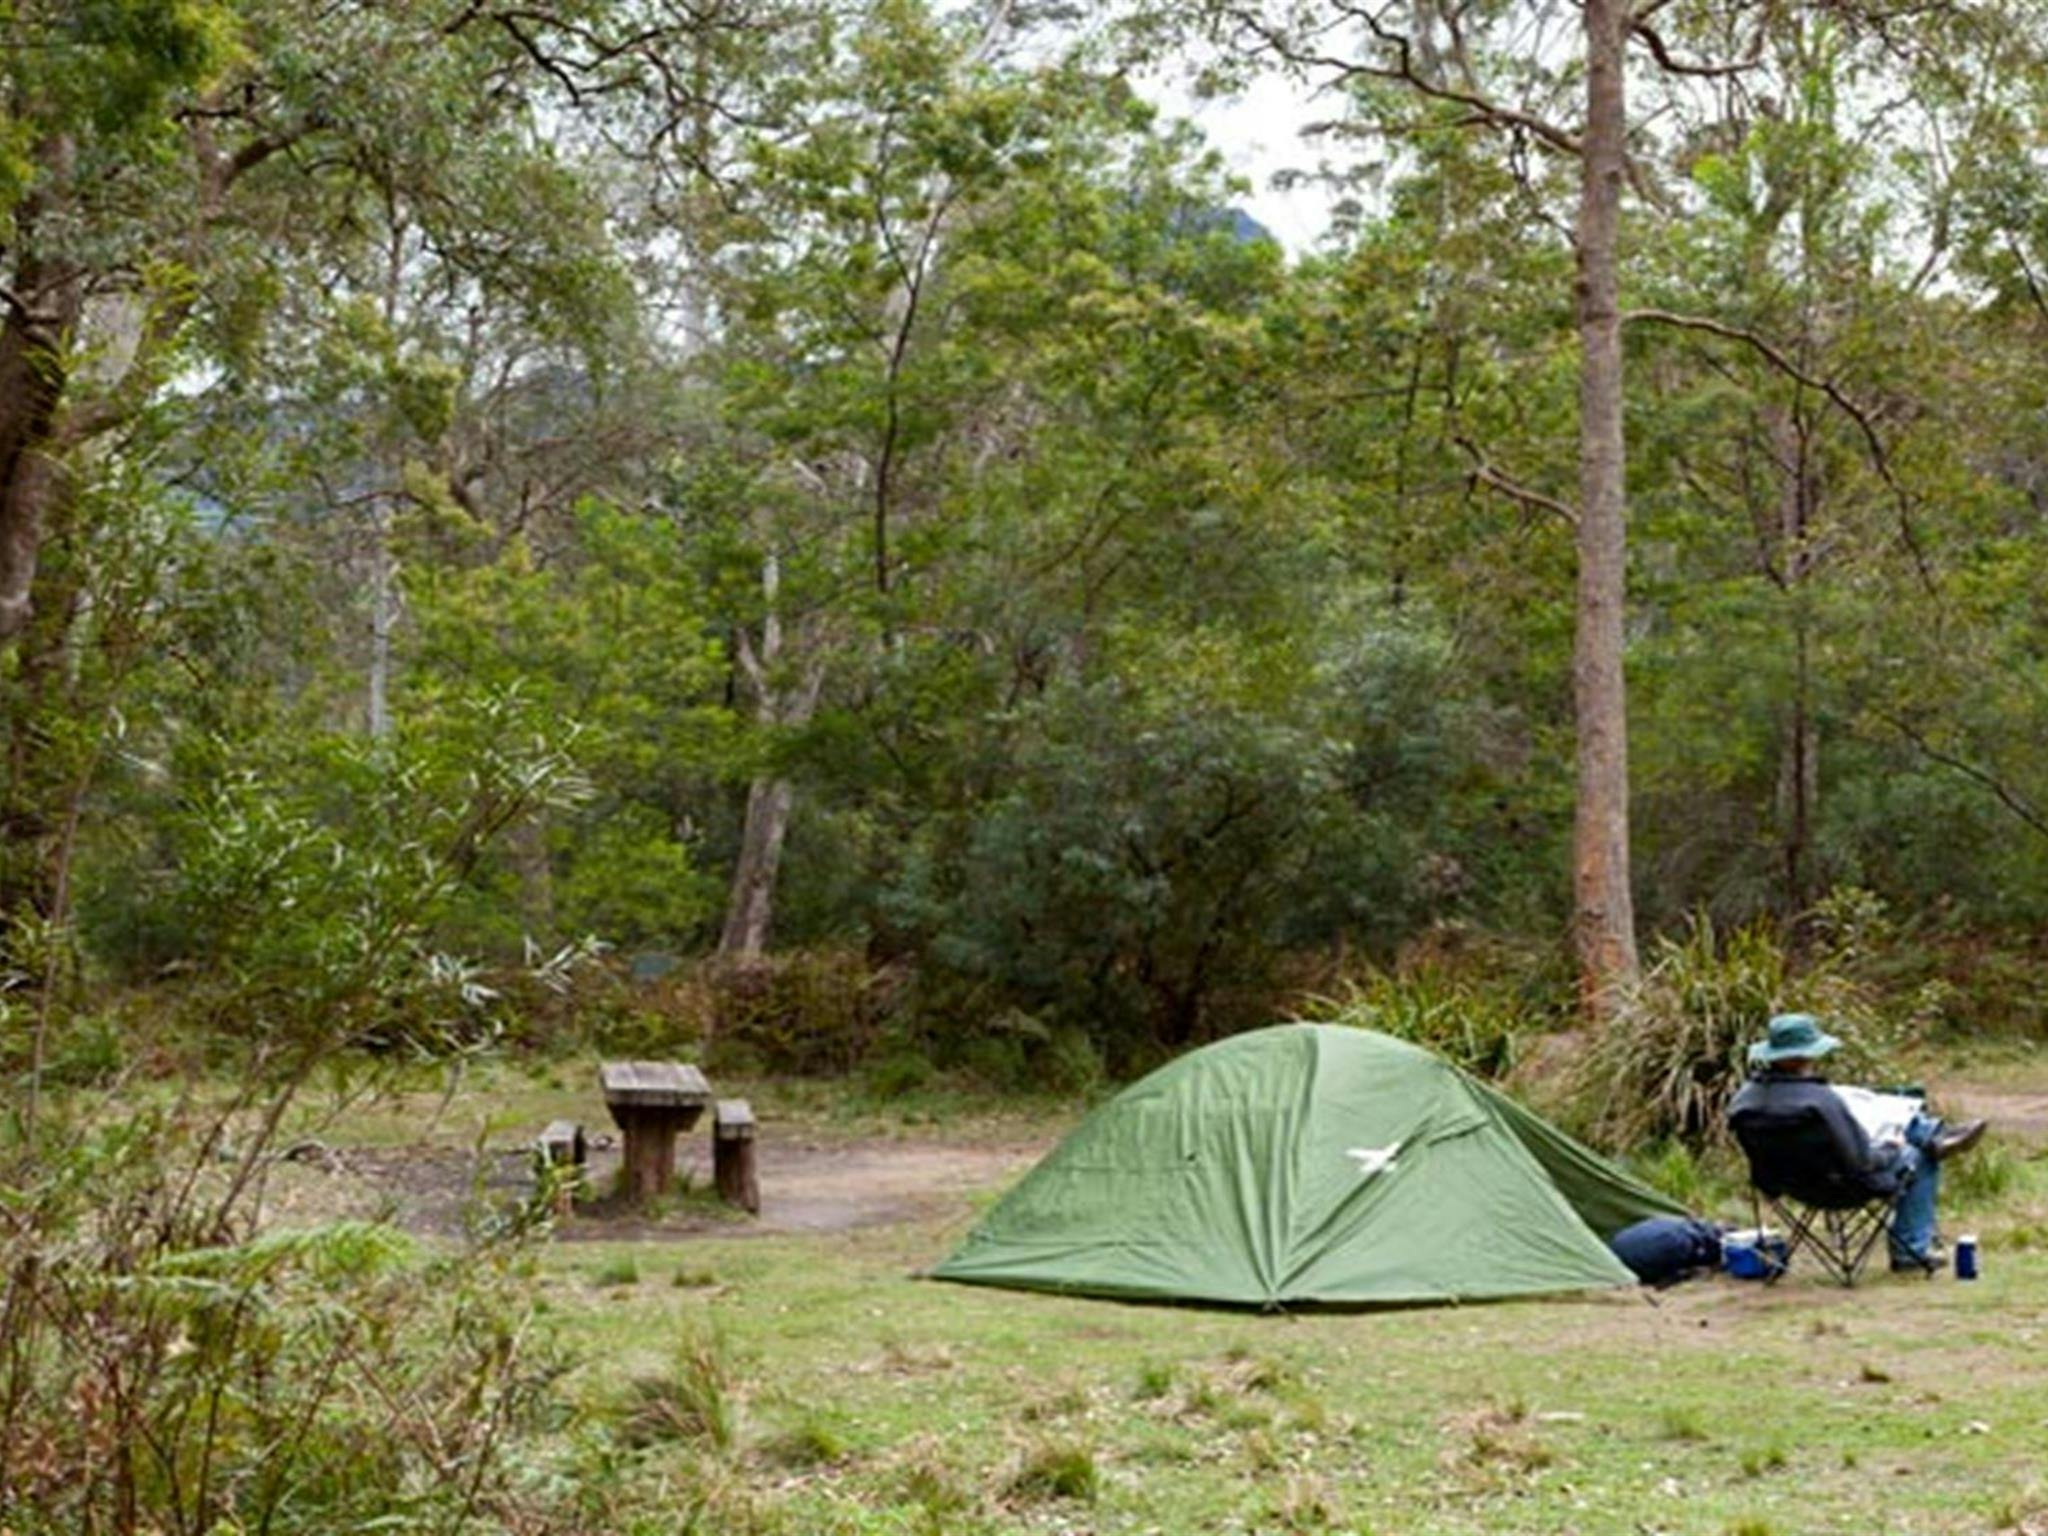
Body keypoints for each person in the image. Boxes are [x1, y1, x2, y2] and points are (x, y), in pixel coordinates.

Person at [1726, 1013, 1987, 1273]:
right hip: (1845, 1187)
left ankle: (1933, 1134)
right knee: (1916, 1156)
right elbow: (1862, 1162)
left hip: (1790, 1187)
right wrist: (1890, 1148)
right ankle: (1911, 1250)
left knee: (1890, 1130)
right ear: (1810, 1054)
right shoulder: (1820, 1101)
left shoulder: (1743, 1101)